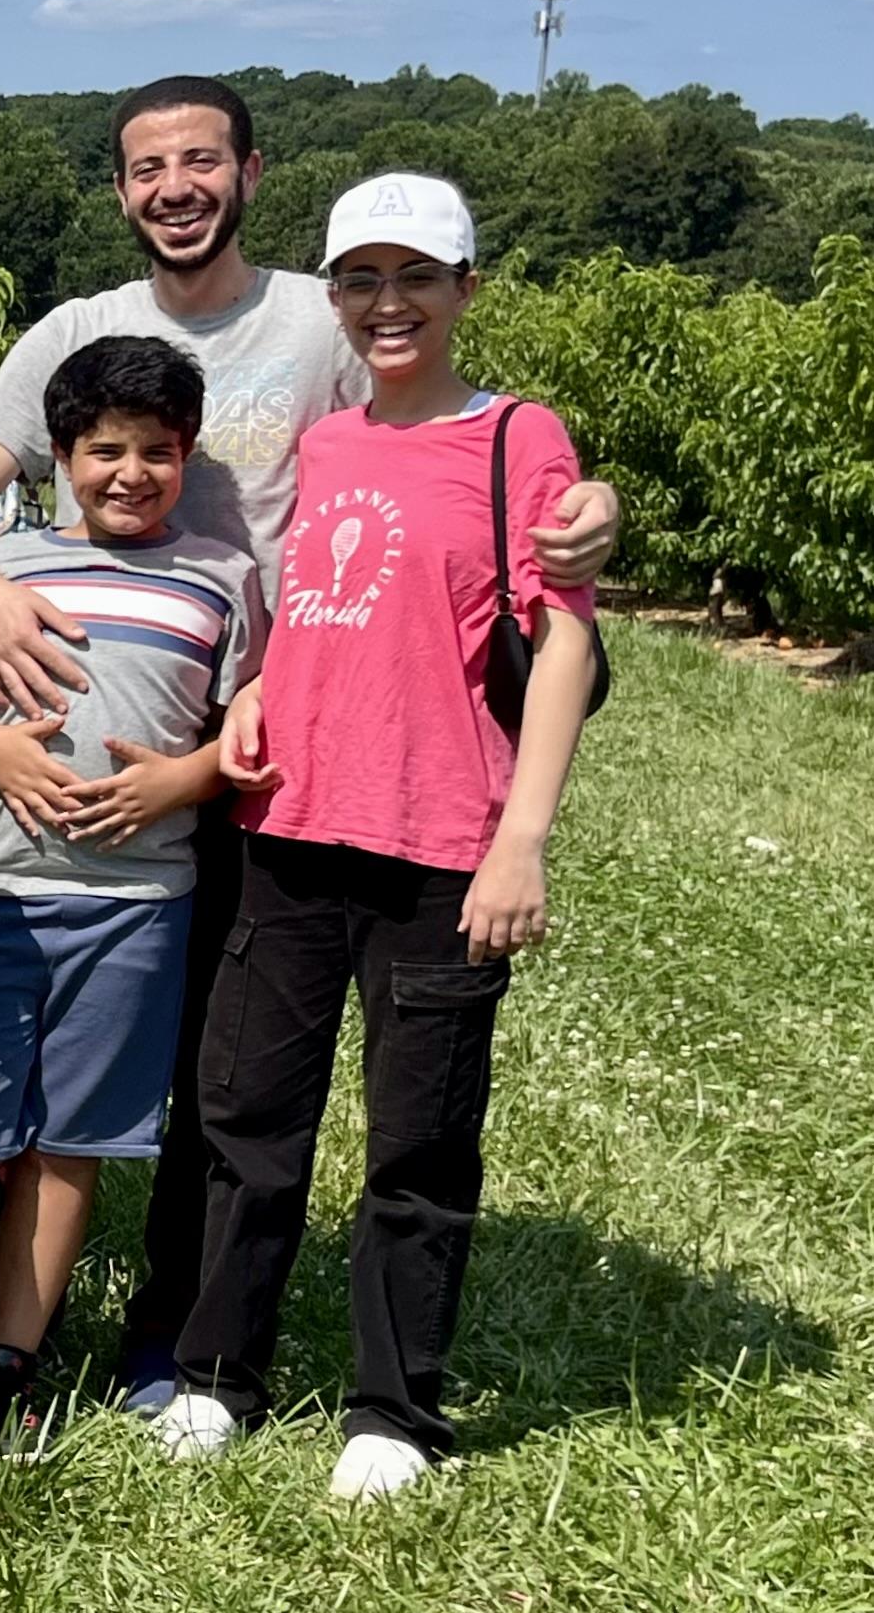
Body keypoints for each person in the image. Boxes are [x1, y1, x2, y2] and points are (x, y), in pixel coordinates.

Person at [0, 75, 622, 1414]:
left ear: (245, 169)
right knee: (233, 1072)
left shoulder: (323, 318)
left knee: (201, 1076)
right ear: (116, 186)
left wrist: (590, 501)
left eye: (197, 160)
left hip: (257, 731)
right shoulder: (76, 327)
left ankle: (174, 1339)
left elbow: (469, 436)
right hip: (226, 751)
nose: (171, 186)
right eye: (143, 167)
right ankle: (73, 1345)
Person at [161, 174, 597, 1502]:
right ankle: (218, 1374)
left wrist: (520, 835)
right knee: (247, 1118)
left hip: (435, 842)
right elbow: (319, 610)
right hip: (290, 820)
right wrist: (251, 690)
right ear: (335, 295)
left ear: (464, 288)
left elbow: (565, 637)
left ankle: (392, 1406)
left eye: (415, 277)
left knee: (414, 1140)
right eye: (360, 279)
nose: (386, 303)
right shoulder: (329, 439)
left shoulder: (518, 439)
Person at [0, 338, 265, 1458]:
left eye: (157, 451)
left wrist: (180, 780)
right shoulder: (10, 568)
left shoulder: (223, 578)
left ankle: (12, 1359)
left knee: (71, 1146)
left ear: (186, 457)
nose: (130, 472)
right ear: (59, 456)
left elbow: (248, 728)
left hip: (139, 906)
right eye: (105, 450)